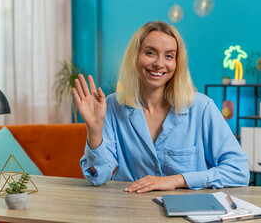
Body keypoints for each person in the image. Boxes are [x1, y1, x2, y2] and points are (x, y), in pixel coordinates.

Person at [73, 21, 249, 193]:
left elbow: (238, 171)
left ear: (177, 63)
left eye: (169, 56)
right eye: (150, 53)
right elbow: (99, 176)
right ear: (135, 56)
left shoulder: (201, 108)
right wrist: (94, 130)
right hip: (131, 212)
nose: (159, 63)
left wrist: (177, 180)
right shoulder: (112, 105)